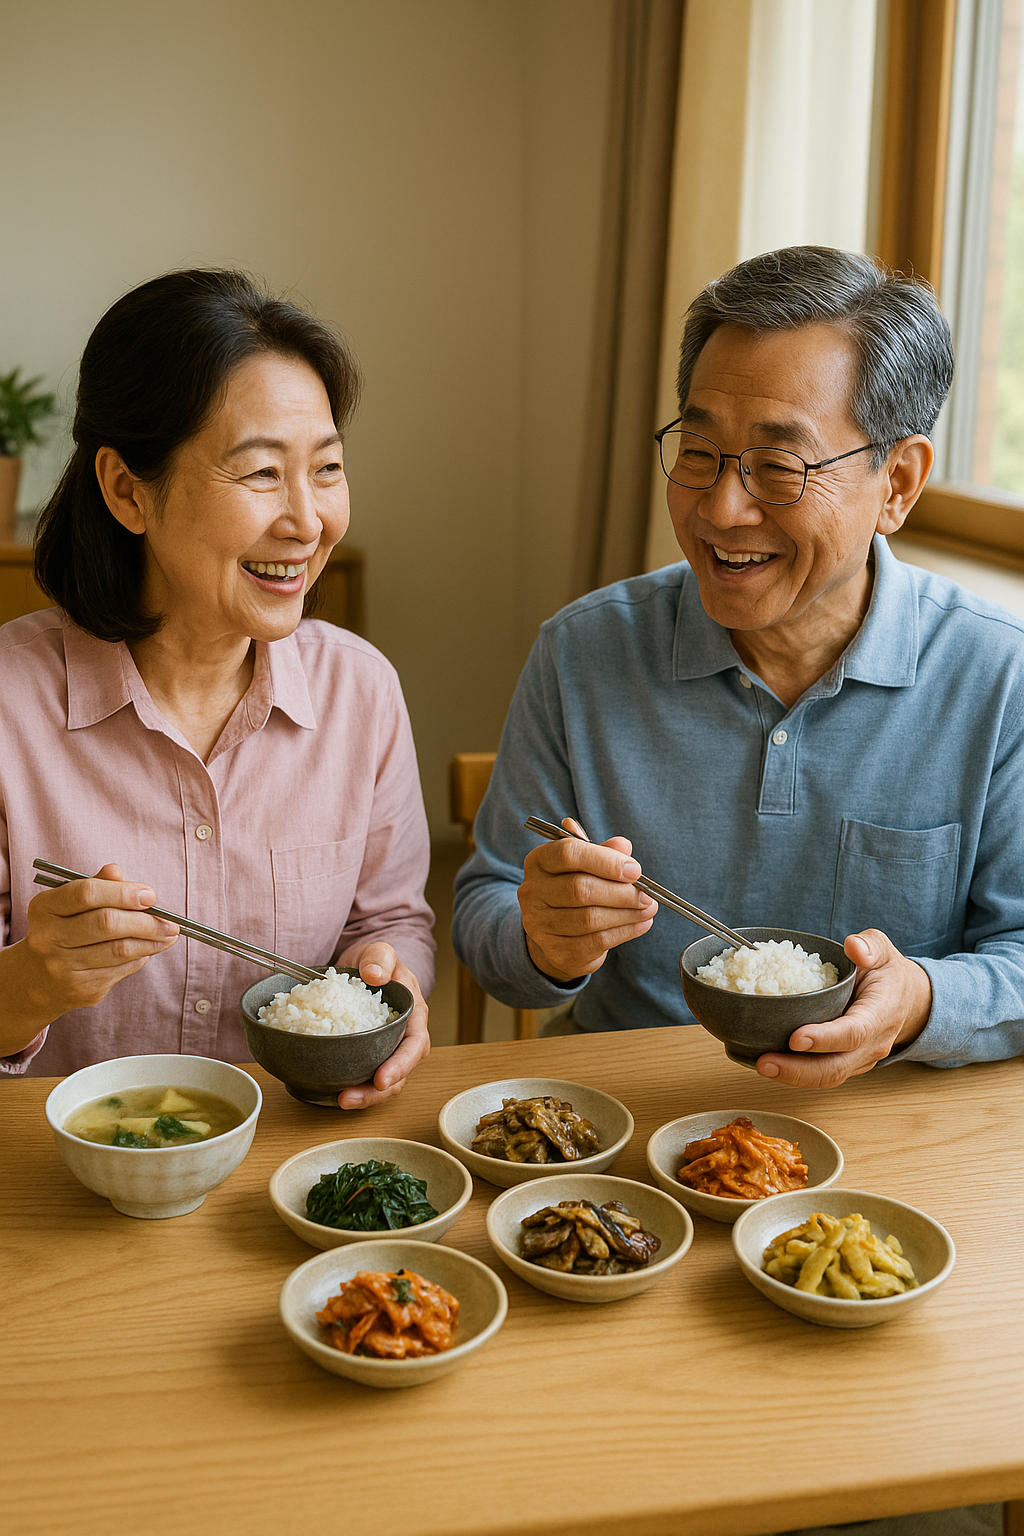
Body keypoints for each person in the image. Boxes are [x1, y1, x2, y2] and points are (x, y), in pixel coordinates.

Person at [453, 245, 1024, 1088]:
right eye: (698, 450)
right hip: (630, 1106)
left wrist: (921, 1002)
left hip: (883, 1111)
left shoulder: (1000, 675)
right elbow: (486, 909)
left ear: (897, 483)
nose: (722, 510)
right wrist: (544, 940)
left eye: (779, 466)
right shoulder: (582, 652)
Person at [0, 269, 433, 1108]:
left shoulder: (361, 692)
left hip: (287, 1155)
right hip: (57, 1163)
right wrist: (33, 981)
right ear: (127, 490)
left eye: (327, 468)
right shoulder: (9, 704)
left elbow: (388, 925)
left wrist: (389, 981)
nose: (307, 522)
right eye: (262, 473)